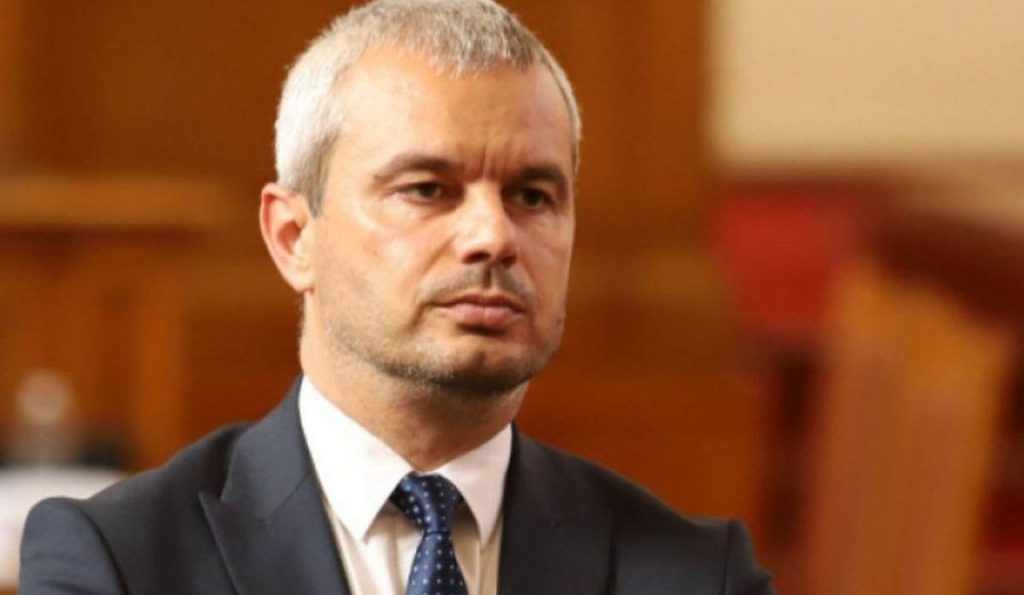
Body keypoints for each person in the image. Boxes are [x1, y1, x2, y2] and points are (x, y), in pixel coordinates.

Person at [19, 1, 776, 593]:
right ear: (293, 237)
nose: (493, 236)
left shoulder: (694, 575)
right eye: (427, 189)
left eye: (532, 196)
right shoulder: (121, 563)